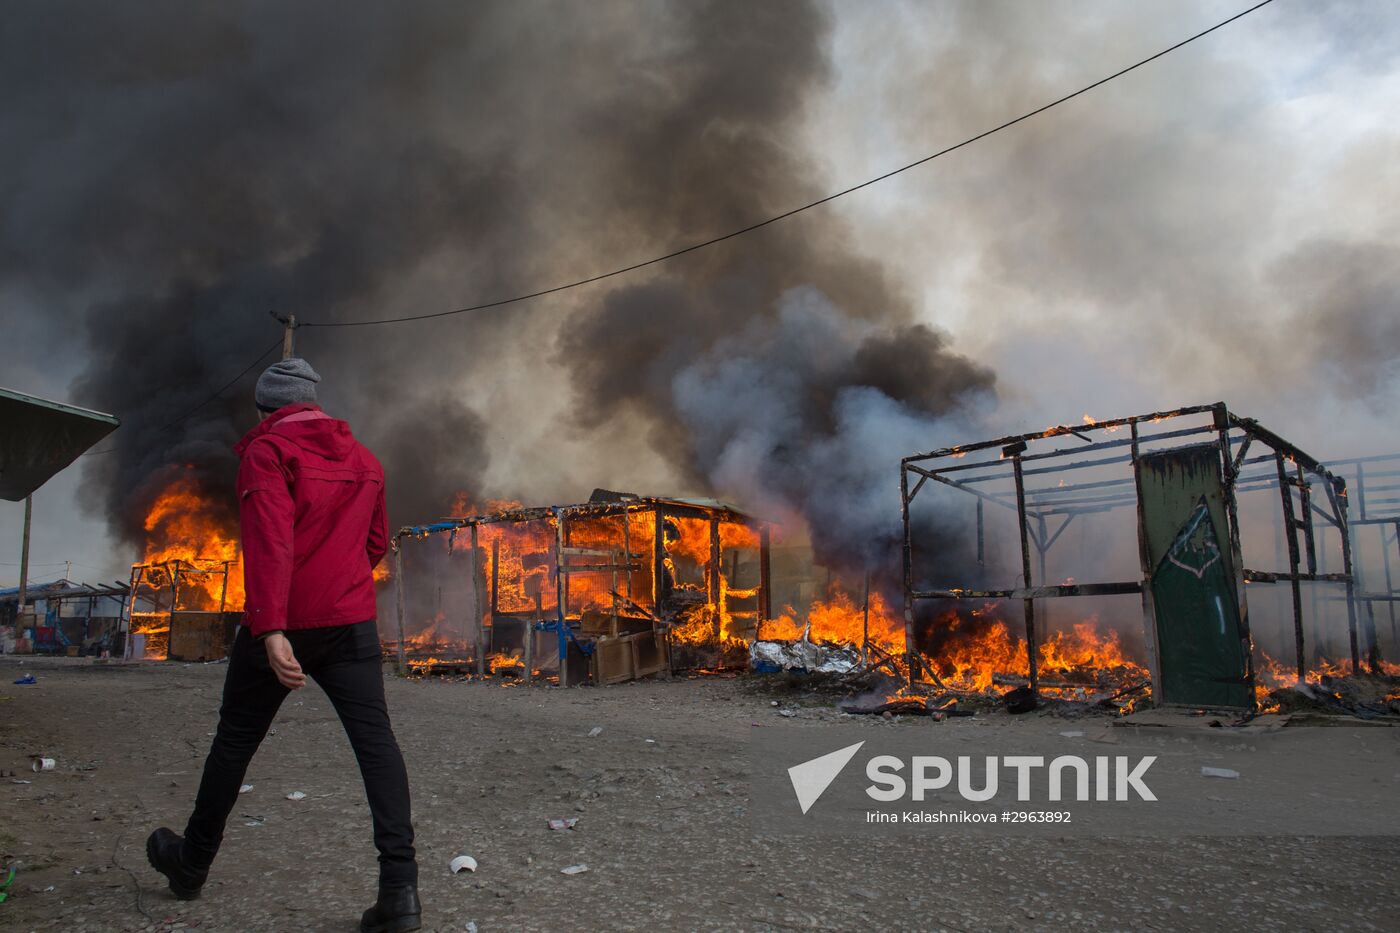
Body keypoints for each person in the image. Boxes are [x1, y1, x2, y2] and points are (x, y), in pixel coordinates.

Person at [146, 358, 421, 933]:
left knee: (235, 742)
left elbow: (269, 543)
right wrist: (338, 579)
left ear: (265, 410)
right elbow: (375, 544)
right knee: (378, 747)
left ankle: (191, 864)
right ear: (315, 403)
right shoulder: (365, 460)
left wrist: (272, 629)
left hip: (284, 624)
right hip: (350, 625)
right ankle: (400, 893)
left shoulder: (267, 453)